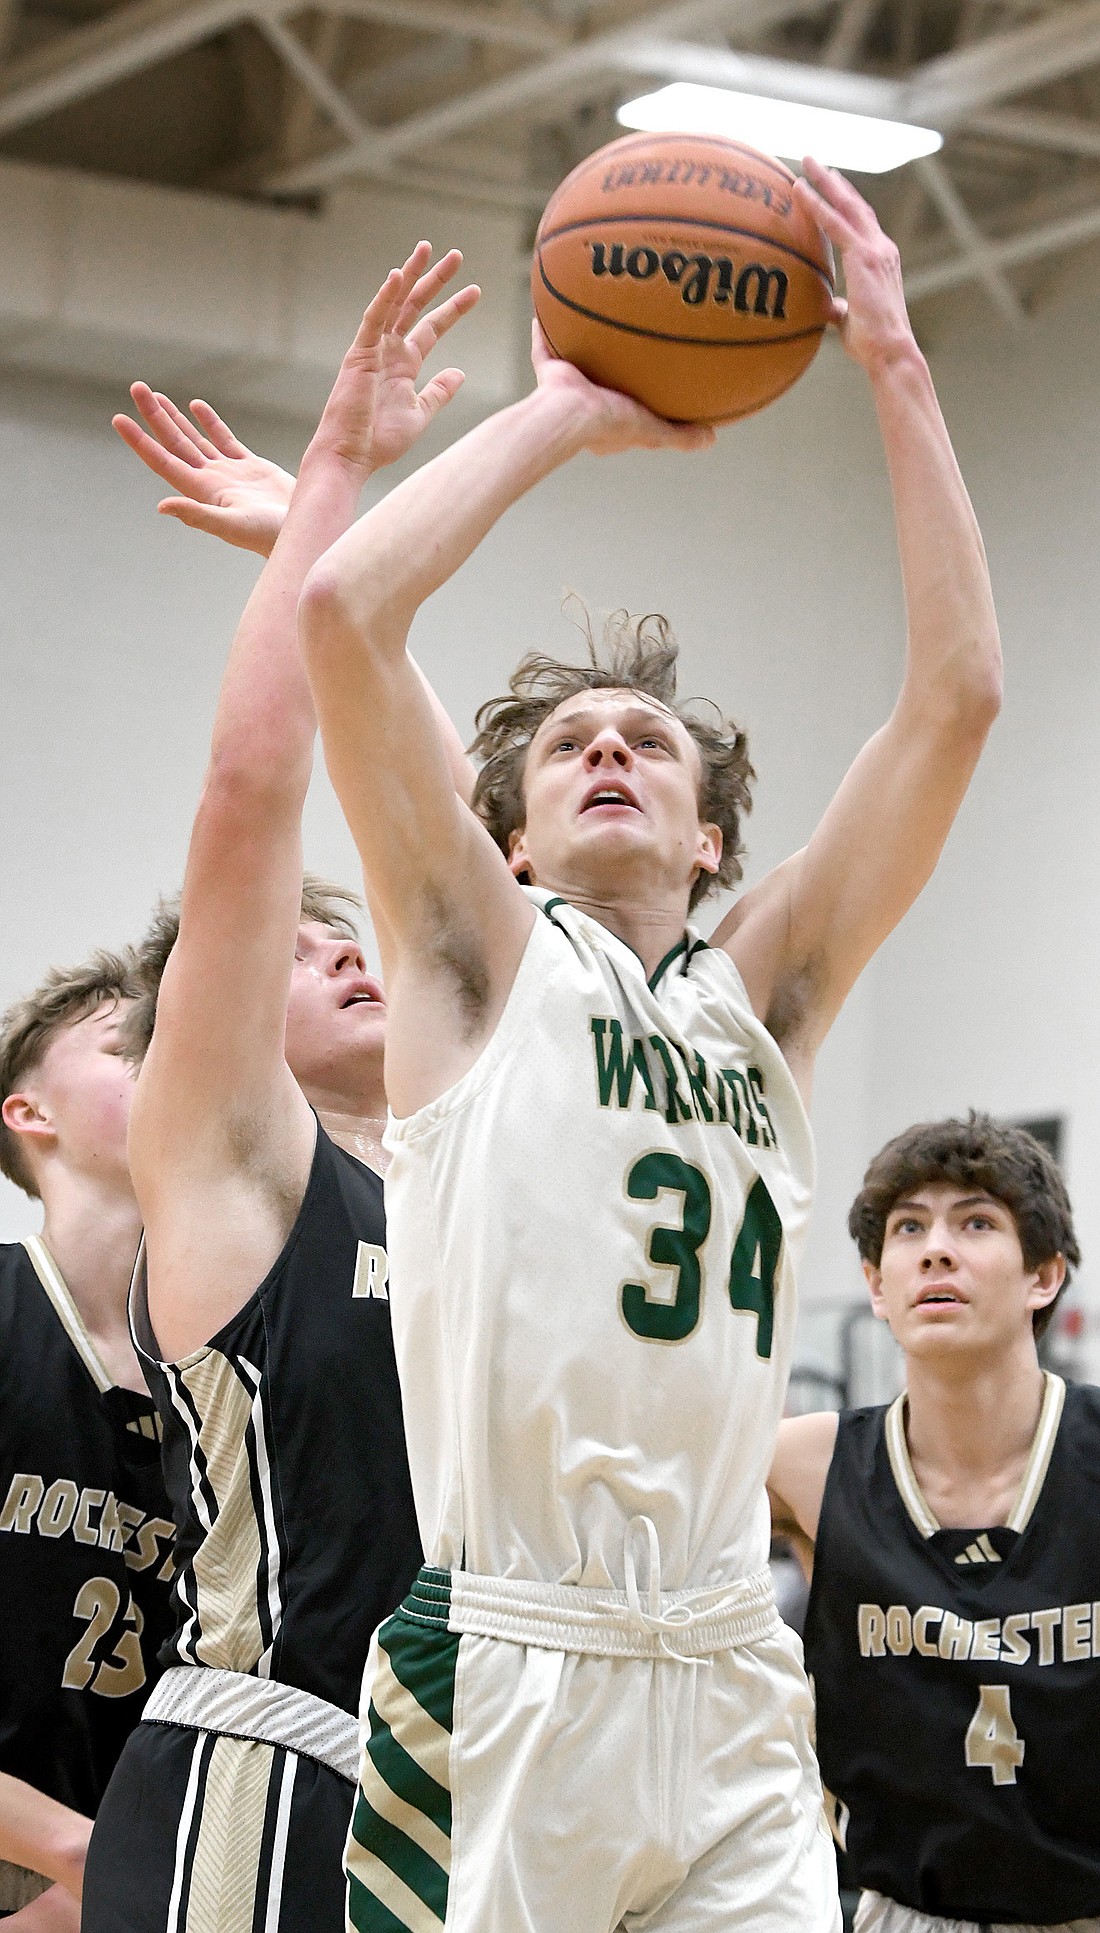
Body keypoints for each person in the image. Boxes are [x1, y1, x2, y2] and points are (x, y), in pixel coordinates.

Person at [297, 158, 1002, 1933]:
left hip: (724, 1661)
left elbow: (957, 699)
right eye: (570, 744)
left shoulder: (761, 993)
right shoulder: (471, 958)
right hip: (510, 1660)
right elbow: (343, 615)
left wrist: (901, 374)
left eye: (656, 743)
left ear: (712, 840)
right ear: (511, 836)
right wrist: (557, 414)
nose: (613, 747)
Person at [80, 245, 480, 1933]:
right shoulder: (239, 1166)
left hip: (468, 1784)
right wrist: (331, 487)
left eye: (355, 941)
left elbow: (461, 882)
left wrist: (342, 590)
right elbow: (257, 794)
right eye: (305, 956)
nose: (350, 955)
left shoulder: (463, 1161)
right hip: (272, 1766)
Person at [770, 1114, 1100, 1933]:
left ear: (1044, 1274)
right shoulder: (805, 1464)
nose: (936, 1248)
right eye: (908, 1227)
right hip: (903, 1912)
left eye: (977, 1222)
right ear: (877, 1286)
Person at [0, 956, 175, 1929]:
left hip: (138, 1882)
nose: (164, 1060)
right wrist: (72, 1858)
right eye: (126, 1046)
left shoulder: (224, 1373)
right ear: (31, 1113)